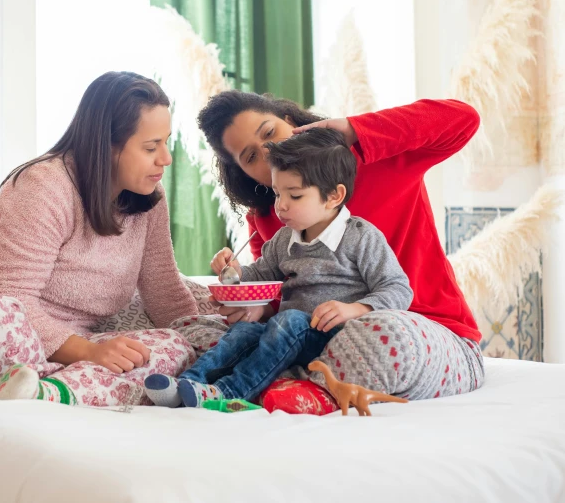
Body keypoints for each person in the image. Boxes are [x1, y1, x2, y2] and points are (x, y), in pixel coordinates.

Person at [0, 71, 199, 407]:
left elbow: (165, 292)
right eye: (151, 146)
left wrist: (208, 341)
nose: (166, 158)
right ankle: (56, 378)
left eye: (166, 141)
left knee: (176, 347)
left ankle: (46, 391)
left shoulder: (149, 199)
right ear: (107, 145)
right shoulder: (43, 186)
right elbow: (12, 297)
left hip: (66, 346)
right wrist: (90, 352)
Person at [194, 92, 485, 400]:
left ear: (292, 123)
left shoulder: (379, 160)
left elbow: (465, 119)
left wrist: (351, 129)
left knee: (382, 336)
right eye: (250, 157)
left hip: (425, 333)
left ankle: (309, 390)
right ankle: (278, 388)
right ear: (244, 172)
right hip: (325, 343)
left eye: (269, 133)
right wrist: (256, 308)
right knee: (219, 335)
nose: (269, 153)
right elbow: (289, 303)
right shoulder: (270, 218)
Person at [144, 128, 412, 408]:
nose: (280, 206)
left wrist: (355, 309)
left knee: (291, 320)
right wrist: (232, 272)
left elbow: (398, 288)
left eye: (294, 196)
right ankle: (189, 383)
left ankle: (227, 392)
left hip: (333, 336)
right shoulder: (285, 238)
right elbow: (258, 275)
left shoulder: (361, 237)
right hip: (283, 334)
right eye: (276, 193)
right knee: (244, 331)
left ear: (334, 196)